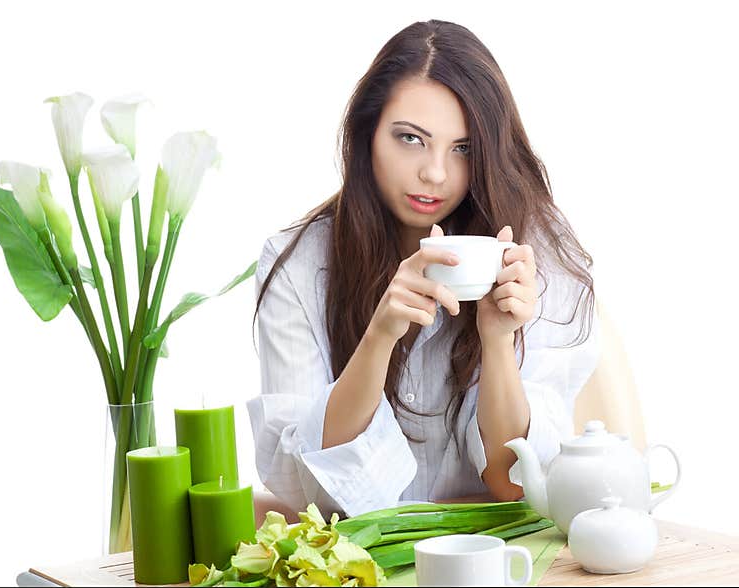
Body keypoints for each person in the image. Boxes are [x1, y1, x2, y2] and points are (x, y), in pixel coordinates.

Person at [246, 20, 600, 519]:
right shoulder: (300, 264)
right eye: (411, 139)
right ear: (367, 135)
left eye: (463, 149)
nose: (435, 173)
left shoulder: (532, 252)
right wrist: (379, 336)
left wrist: (497, 342)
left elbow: (515, 485)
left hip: (497, 563)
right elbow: (315, 494)